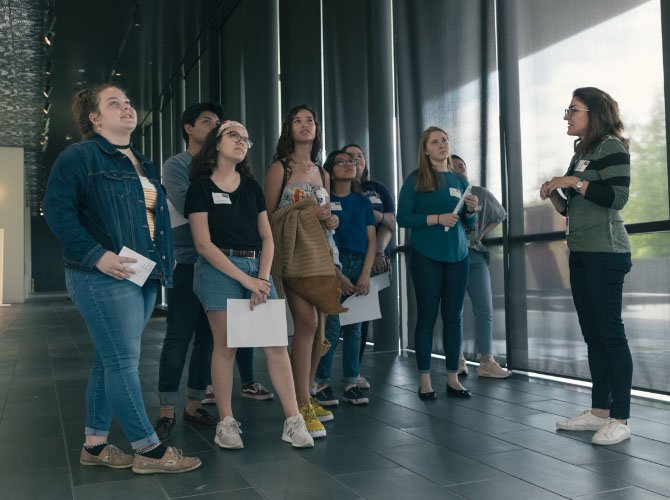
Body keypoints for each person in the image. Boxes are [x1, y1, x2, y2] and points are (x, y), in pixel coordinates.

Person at [43, 83, 200, 474]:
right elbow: (58, 211)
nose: (127, 107)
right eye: (114, 103)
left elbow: (153, 222)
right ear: (94, 118)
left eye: (128, 102)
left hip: (142, 274)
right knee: (122, 362)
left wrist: (162, 267)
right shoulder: (79, 157)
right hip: (102, 275)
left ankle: (94, 446)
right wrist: (98, 256)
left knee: (108, 360)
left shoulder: (143, 163)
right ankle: (148, 451)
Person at [186, 120, 313, 449]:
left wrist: (261, 277)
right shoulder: (200, 186)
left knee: (275, 346)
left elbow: (267, 238)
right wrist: (245, 278)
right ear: (216, 142)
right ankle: (226, 423)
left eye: (246, 138)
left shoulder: (252, 186)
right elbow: (203, 244)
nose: (241, 141)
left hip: (257, 267)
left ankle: (293, 420)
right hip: (218, 269)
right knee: (226, 345)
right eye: (233, 135)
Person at [155, 102, 273, 441]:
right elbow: (185, 202)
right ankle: (166, 408)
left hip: (227, 264)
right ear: (188, 128)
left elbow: (244, 218)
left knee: (210, 338)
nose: (216, 125)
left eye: (219, 122)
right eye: (207, 121)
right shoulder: (177, 165)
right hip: (188, 259)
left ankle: (194, 404)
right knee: (179, 333)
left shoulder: (241, 178)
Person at [540, 87, 633, 445]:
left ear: (594, 113)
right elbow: (573, 208)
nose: (567, 115)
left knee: (609, 334)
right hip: (581, 252)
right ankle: (599, 413)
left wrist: (573, 182)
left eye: (573, 109)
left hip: (606, 254)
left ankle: (621, 419)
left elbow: (617, 198)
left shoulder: (611, 145)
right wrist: (555, 194)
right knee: (593, 335)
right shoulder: (584, 151)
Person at [264, 105, 339, 437]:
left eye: (310, 120)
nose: (306, 125)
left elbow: (326, 214)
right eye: (298, 120)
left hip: (318, 253)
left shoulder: (323, 173)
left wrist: (330, 219)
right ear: (288, 128)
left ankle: (306, 395)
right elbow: (267, 216)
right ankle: (299, 400)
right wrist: (304, 211)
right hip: (291, 253)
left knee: (318, 324)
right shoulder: (280, 168)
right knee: (306, 322)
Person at [397, 126, 478, 400]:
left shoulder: (459, 180)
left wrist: (470, 211)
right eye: (435, 141)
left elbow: (469, 224)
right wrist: (436, 219)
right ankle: (425, 380)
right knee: (427, 317)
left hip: (458, 255)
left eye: (444, 140)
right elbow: (403, 218)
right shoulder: (416, 179)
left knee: (454, 318)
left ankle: (454, 379)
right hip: (426, 256)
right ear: (426, 149)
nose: (442, 144)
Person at [314, 150, 376, 405]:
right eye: (342, 162)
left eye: (352, 162)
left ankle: (351, 381)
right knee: (330, 327)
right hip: (332, 265)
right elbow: (320, 240)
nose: (350, 165)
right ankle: (322, 382)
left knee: (355, 329)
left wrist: (365, 275)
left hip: (359, 264)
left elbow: (372, 241)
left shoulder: (363, 202)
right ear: (330, 169)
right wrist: (337, 274)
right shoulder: (323, 201)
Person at [450, 155, 511, 379]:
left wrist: (481, 234)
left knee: (484, 308)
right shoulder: (445, 194)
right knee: (454, 310)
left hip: (475, 256)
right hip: (452, 257)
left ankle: (486, 361)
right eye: (453, 166)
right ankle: (457, 359)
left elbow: (501, 214)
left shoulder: (480, 192)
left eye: (462, 166)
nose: (459, 169)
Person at [343, 143, 396, 391]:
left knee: (359, 320)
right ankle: (318, 378)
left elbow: (391, 223)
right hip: (340, 258)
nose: (355, 160)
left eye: (360, 156)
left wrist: (378, 251)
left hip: (371, 259)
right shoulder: (337, 189)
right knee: (330, 322)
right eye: (349, 157)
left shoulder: (378, 189)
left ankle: (355, 371)